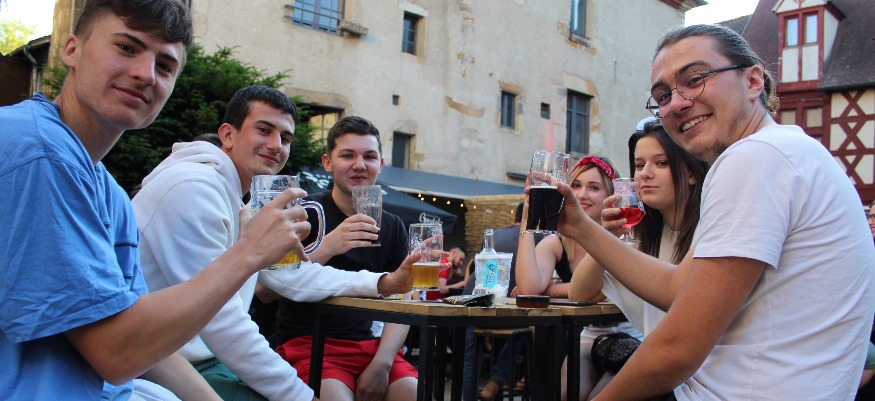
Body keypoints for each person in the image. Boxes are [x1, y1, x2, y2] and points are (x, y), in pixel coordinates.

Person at [552, 24, 875, 400]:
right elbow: (677, 289)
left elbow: (676, 351)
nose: (676, 103)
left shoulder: (755, 157)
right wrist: (581, 226)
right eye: (662, 95)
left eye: (694, 79)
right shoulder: (788, 151)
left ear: (753, 81)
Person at [0, 1, 304, 400]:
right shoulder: (38, 152)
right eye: (126, 47)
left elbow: (139, 338)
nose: (145, 74)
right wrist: (248, 253)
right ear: (71, 49)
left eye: (164, 66)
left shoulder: (106, 190)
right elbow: (117, 352)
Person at [133, 86, 417, 401]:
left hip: (199, 357)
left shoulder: (242, 202)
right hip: (159, 365)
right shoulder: (193, 189)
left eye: (285, 137)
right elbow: (224, 319)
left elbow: (289, 275)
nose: (275, 145)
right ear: (228, 134)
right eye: (264, 130)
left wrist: (384, 282)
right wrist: (299, 396)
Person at [271, 116, 419, 401]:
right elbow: (268, 289)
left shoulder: (392, 225)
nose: (359, 165)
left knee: (413, 392)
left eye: (369, 157)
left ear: (381, 164)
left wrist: (382, 363)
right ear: (328, 162)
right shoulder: (304, 212)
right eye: (348, 155)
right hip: (309, 342)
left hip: (370, 346)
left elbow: (403, 299)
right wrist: (329, 246)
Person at [566, 119, 708, 400]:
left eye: (661, 163)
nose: (645, 174)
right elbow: (579, 293)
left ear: (691, 173)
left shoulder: (708, 227)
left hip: (699, 377)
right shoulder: (642, 234)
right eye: (639, 165)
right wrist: (607, 236)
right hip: (666, 369)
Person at [515, 155, 642, 401]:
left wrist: (551, 290)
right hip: (591, 336)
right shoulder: (559, 242)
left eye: (593, 187)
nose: (582, 194)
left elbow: (602, 291)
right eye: (576, 185)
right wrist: (527, 219)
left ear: (611, 194)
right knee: (564, 394)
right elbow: (529, 289)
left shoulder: (627, 235)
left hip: (632, 335)